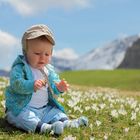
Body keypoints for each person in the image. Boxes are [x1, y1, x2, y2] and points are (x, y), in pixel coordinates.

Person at [5, 24, 88, 135]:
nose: (42, 57)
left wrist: (59, 88)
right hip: (22, 108)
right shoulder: (21, 68)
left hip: (44, 109)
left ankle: (66, 123)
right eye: (37, 53)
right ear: (25, 52)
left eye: (47, 54)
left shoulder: (48, 70)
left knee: (56, 112)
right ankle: (45, 128)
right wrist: (31, 85)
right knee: (21, 117)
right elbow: (16, 84)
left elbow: (53, 86)